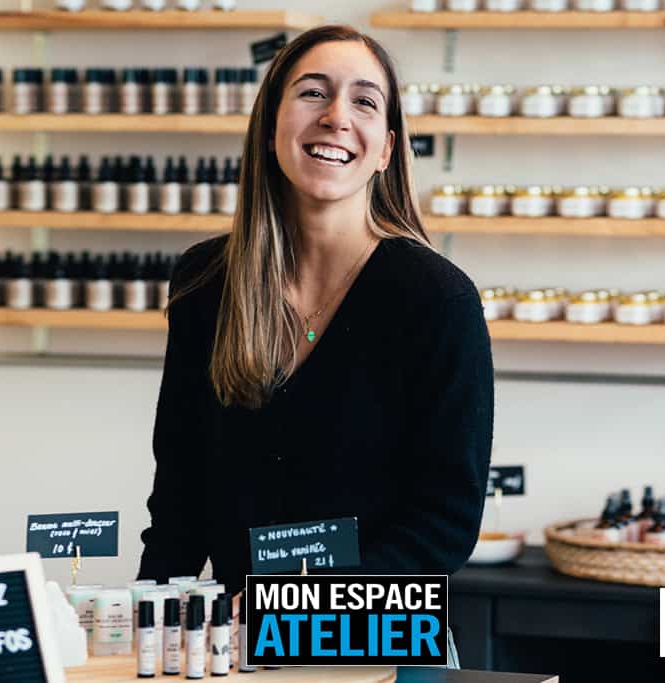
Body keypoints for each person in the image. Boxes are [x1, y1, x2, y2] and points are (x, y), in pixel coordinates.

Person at [138, 27, 493, 664]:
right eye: (313, 93)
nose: (335, 117)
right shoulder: (205, 284)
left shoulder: (437, 301)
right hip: (237, 649)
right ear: (271, 124)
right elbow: (181, 495)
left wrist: (297, 610)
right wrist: (146, 630)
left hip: (380, 643)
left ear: (386, 148)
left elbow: (444, 523)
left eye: (363, 101)